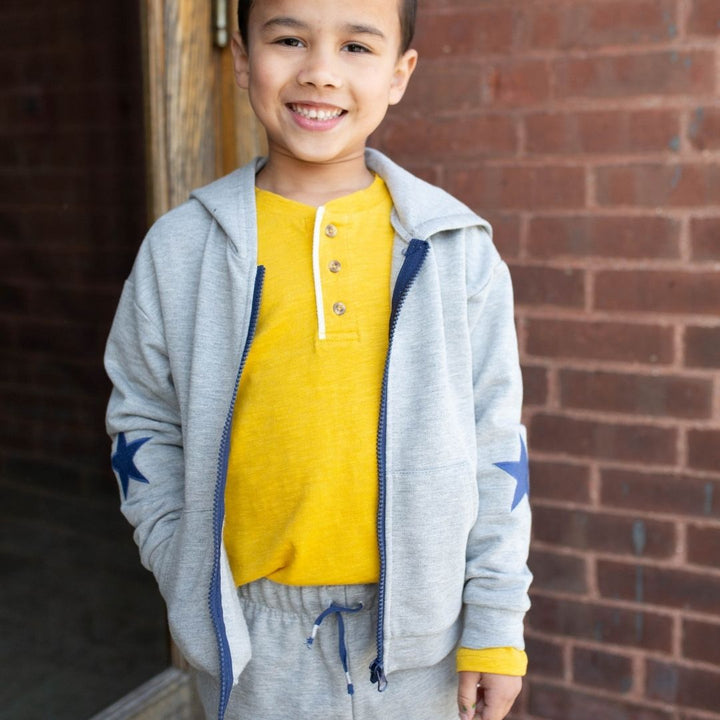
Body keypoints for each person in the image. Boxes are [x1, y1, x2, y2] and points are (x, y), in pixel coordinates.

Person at [104, 0, 532, 718]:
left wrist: (494, 627)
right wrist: (185, 565)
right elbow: (142, 419)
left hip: (420, 648)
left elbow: (497, 449)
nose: (321, 72)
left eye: (357, 47)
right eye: (290, 39)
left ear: (400, 73)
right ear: (242, 57)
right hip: (248, 644)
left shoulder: (457, 252)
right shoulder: (180, 250)